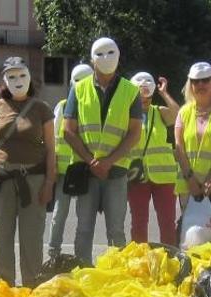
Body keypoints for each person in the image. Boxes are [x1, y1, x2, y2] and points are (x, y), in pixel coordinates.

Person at [0, 57, 55, 286]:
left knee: (32, 236)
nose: (17, 80)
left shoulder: (42, 109)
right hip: (2, 178)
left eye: (21, 75)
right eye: (11, 76)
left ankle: (32, 285)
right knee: (2, 234)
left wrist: (50, 183)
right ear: (3, 80)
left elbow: (51, 149)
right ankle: (3, 284)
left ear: (30, 77)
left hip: (34, 180)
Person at [63, 37, 141, 264]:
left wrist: (108, 162)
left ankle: (117, 276)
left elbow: (134, 133)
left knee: (116, 231)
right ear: (91, 59)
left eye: (110, 52)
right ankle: (82, 273)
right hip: (87, 172)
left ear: (119, 55)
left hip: (116, 172)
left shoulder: (131, 91)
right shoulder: (78, 89)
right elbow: (68, 130)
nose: (105, 58)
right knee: (84, 229)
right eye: (99, 53)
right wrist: (92, 162)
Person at [175, 62, 211, 245]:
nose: (200, 85)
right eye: (195, 81)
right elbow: (179, 147)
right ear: (190, 85)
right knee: (190, 234)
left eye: (205, 80)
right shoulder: (183, 112)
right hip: (188, 184)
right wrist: (190, 178)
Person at [127, 71, 180, 245]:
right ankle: (140, 261)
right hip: (137, 176)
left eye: (148, 96)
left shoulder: (159, 112)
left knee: (167, 224)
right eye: (141, 95)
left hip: (164, 177)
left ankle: (170, 260)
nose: (145, 100)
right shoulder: (126, 115)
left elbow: (179, 116)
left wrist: (164, 93)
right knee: (139, 223)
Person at [48, 63, 93, 259]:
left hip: (85, 169)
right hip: (65, 170)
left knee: (84, 217)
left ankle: (82, 257)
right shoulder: (63, 106)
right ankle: (53, 253)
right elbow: (51, 136)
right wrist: (52, 165)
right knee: (59, 214)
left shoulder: (95, 108)